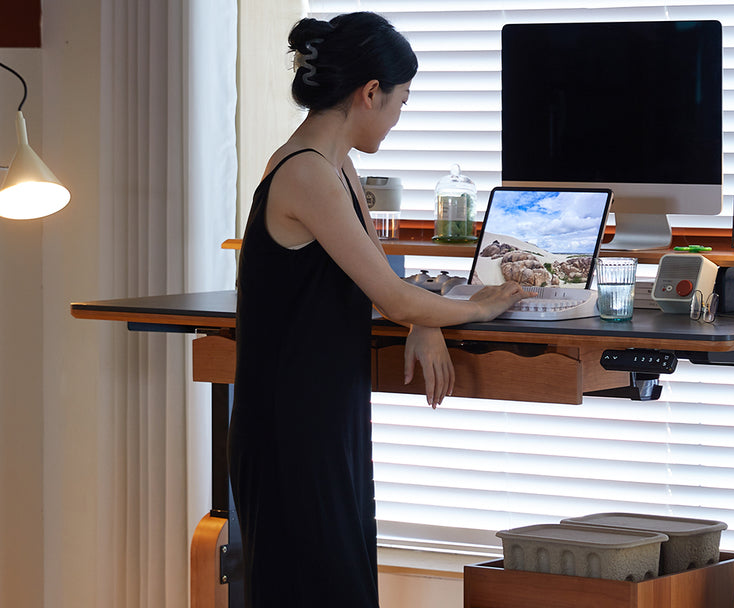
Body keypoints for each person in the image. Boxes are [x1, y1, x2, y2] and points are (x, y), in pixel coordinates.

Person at [227, 12, 529, 607]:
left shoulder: (336, 165)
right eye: (399, 104)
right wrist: (482, 309)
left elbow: (378, 271)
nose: (395, 120)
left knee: (342, 578)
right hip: (291, 422)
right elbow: (390, 296)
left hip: (325, 410)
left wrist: (425, 318)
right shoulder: (306, 173)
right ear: (370, 93)